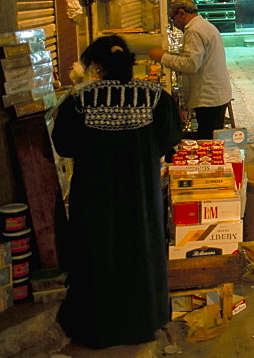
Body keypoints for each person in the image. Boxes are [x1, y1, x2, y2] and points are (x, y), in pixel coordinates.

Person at [53, 35, 182, 349]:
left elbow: (63, 144)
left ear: (97, 66)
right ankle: (142, 321)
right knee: (141, 251)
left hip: (93, 196)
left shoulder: (80, 100)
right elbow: (170, 141)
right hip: (140, 196)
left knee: (97, 254)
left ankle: (99, 327)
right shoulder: (155, 97)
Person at [149, 0, 232, 139]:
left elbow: (191, 64)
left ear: (181, 13)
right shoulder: (203, 25)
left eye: (172, 18)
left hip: (208, 97)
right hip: (214, 93)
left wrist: (162, 57)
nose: (173, 23)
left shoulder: (193, 31)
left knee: (207, 139)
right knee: (210, 136)